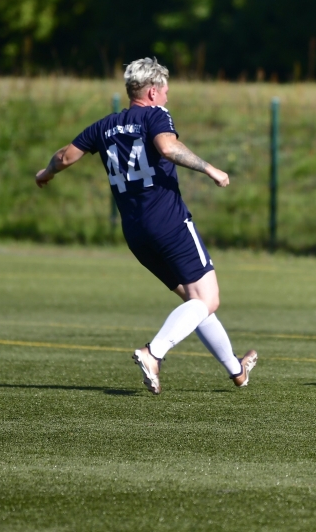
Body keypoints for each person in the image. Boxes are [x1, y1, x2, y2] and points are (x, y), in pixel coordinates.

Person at [35, 57, 257, 394]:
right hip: (168, 222)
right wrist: (211, 169)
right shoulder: (156, 115)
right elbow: (167, 148)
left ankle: (236, 371)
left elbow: (65, 156)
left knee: (195, 304)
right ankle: (154, 353)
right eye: (165, 90)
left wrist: (45, 173)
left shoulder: (103, 126)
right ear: (152, 92)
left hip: (136, 232)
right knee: (207, 300)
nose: (168, 97)